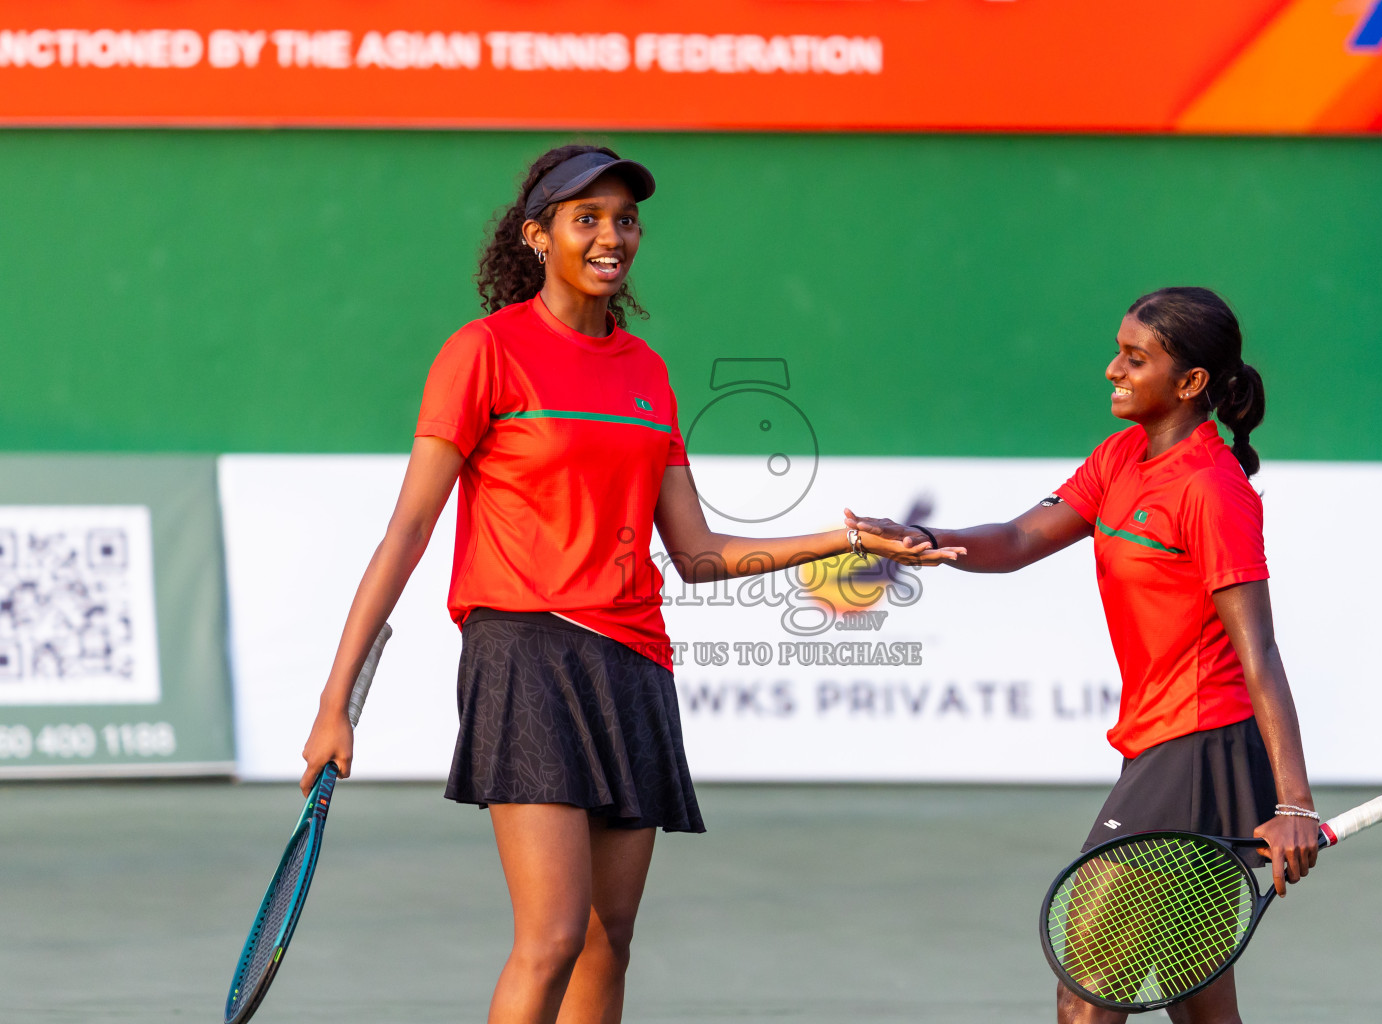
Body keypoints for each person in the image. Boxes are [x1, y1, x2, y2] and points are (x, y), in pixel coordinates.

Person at [297, 144, 952, 1024]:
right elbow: (407, 532)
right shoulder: (484, 353)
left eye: (625, 219)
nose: (613, 235)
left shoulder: (646, 374)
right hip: (525, 652)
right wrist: (336, 700)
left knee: (610, 938)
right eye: (587, 218)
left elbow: (699, 554)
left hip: (633, 664)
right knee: (553, 937)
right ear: (539, 236)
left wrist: (847, 539)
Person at [846, 287, 1318, 1024]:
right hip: (1164, 742)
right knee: (1197, 990)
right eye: (1119, 351)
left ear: (1191, 383)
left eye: (1136, 358)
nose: (1112, 369)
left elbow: (1257, 647)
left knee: (1086, 991)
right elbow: (1020, 538)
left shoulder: (1211, 490)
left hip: (1194, 751)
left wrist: (1292, 802)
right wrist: (923, 541)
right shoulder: (1125, 454)